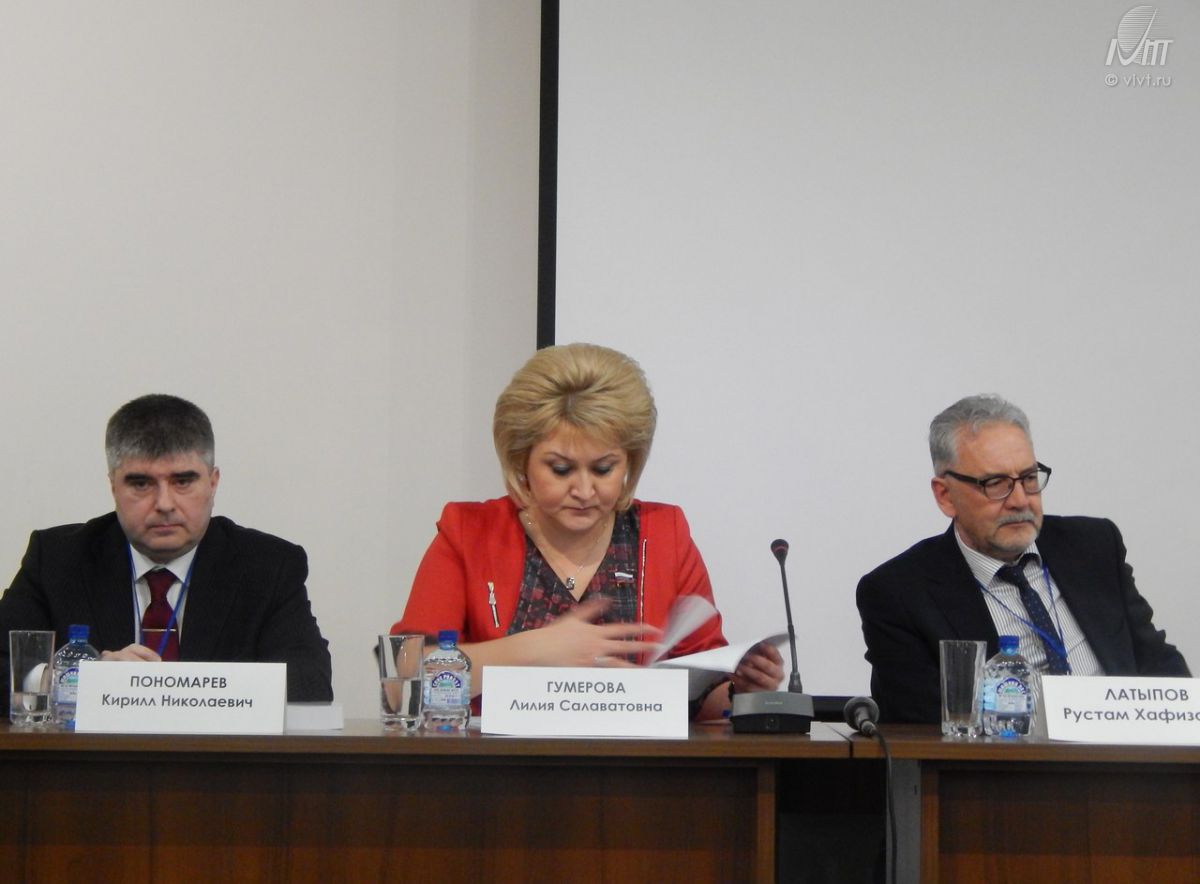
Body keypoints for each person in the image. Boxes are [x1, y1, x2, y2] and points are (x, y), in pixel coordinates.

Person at [394, 343, 783, 720]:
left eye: (603, 469)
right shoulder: (469, 532)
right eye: (561, 469)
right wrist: (535, 649)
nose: (583, 490)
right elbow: (402, 685)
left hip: (633, 762)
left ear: (630, 462)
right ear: (521, 460)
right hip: (502, 762)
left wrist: (742, 690)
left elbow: (699, 701)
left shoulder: (665, 534)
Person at [856, 394, 1190, 724]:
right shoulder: (899, 593)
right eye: (995, 483)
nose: (1020, 500)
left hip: (1124, 754)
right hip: (1005, 757)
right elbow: (925, 725)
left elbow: (1160, 666)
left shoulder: (1094, 547)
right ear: (945, 495)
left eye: (1029, 478)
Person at [0, 394, 333, 709]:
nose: (164, 504)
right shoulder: (58, 560)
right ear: (113, 486)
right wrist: (84, 680)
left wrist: (176, 692)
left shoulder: (268, 566)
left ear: (213, 483)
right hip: (97, 753)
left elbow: (311, 683)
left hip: (215, 752)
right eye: (141, 484)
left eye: (183, 481)